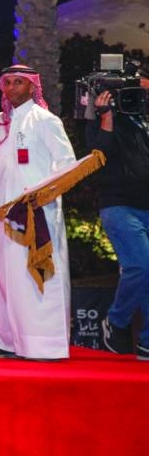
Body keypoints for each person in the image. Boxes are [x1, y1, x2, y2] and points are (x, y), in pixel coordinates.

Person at [0, 65, 76, 361]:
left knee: (34, 276)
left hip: (36, 214)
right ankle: (7, 341)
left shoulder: (46, 121)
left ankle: (44, 345)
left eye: (19, 82)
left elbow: (66, 164)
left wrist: (38, 197)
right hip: (2, 214)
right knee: (3, 275)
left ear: (33, 87)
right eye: (7, 83)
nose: (12, 88)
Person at [88, 68, 149, 361]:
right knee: (140, 266)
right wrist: (106, 116)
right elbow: (98, 156)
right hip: (118, 204)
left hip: (146, 205)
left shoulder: (142, 123)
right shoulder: (98, 119)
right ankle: (116, 321)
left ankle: (147, 342)